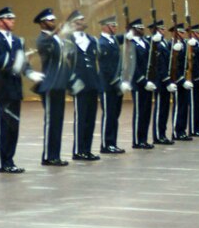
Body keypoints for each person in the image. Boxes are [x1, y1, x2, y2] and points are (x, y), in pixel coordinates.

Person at [0, 7, 44, 173]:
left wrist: (30, 72)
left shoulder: (18, 41)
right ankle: (2, 163)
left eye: (13, 18)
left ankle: (9, 159)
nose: (13, 21)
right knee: (4, 126)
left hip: (15, 88)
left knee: (13, 126)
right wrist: (13, 61)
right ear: (0, 21)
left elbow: (23, 62)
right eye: (9, 19)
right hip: (2, 88)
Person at [33, 8, 72, 166]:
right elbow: (44, 47)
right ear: (42, 23)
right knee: (51, 121)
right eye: (50, 20)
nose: (53, 23)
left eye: (54, 20)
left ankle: (55, 154)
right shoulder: (43, 38)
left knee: (58, 121)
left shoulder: (57, 39)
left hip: (59, 83)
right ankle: (49, 156)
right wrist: (57, 31)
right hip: (49, 84)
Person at [66, 11, 103, 161]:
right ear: (73, 23)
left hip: (92, 83)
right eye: (79, 19)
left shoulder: (91, 40)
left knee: (90, 118)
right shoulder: (68, 41)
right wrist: (71, 82)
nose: (83, 21)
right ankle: (78, 150)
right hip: (79, 84)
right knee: (81, 118)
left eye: (82, 18)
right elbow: (66, 65)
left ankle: (87, 149)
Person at [97, 15, 126, 154]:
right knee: (109, 114)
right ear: (105, 26)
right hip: (107, 85)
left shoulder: (113, 40)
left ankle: (112, 142)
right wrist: (116, 82)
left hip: (116, 85)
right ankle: (106, 144)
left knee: (115, 114)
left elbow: (123, 37)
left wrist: (130, 32)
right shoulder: (102, 43)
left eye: (115, 25)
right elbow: (106, 68)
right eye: (112, 26)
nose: (115, 28)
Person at [127, 18, 155, 149]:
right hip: (138, 84)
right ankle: (137, 140)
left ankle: (144, 138)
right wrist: (143, 81)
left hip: (148, 82)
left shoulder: (146, 42)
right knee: (139, 112)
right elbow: (133, 66)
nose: (142, 29)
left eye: (142, 27)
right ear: (133, 29)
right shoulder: (131, 44)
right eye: (139, 28)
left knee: (146, 111)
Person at [168, 23, 194, 142]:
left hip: (185, 80)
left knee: (184, 107)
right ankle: (176, 132)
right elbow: (174, 67)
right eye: (181, 32)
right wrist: (181, 80)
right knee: (178, 107)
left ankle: (182, 130)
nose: (184, 34)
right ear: (175, 33)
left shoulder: (184, 44)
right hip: (177, 81)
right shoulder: (171, 45)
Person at [150, 20, 173, 145]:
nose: (163, 31)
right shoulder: (156, 44)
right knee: (159, 110)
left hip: (166, 81)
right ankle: (158, 136)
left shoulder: (164, 43)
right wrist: (166, 80)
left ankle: (162, 133)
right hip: (160, 81)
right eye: (161, 28)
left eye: (164, 29)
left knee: (164, 109)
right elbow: (160, 65)